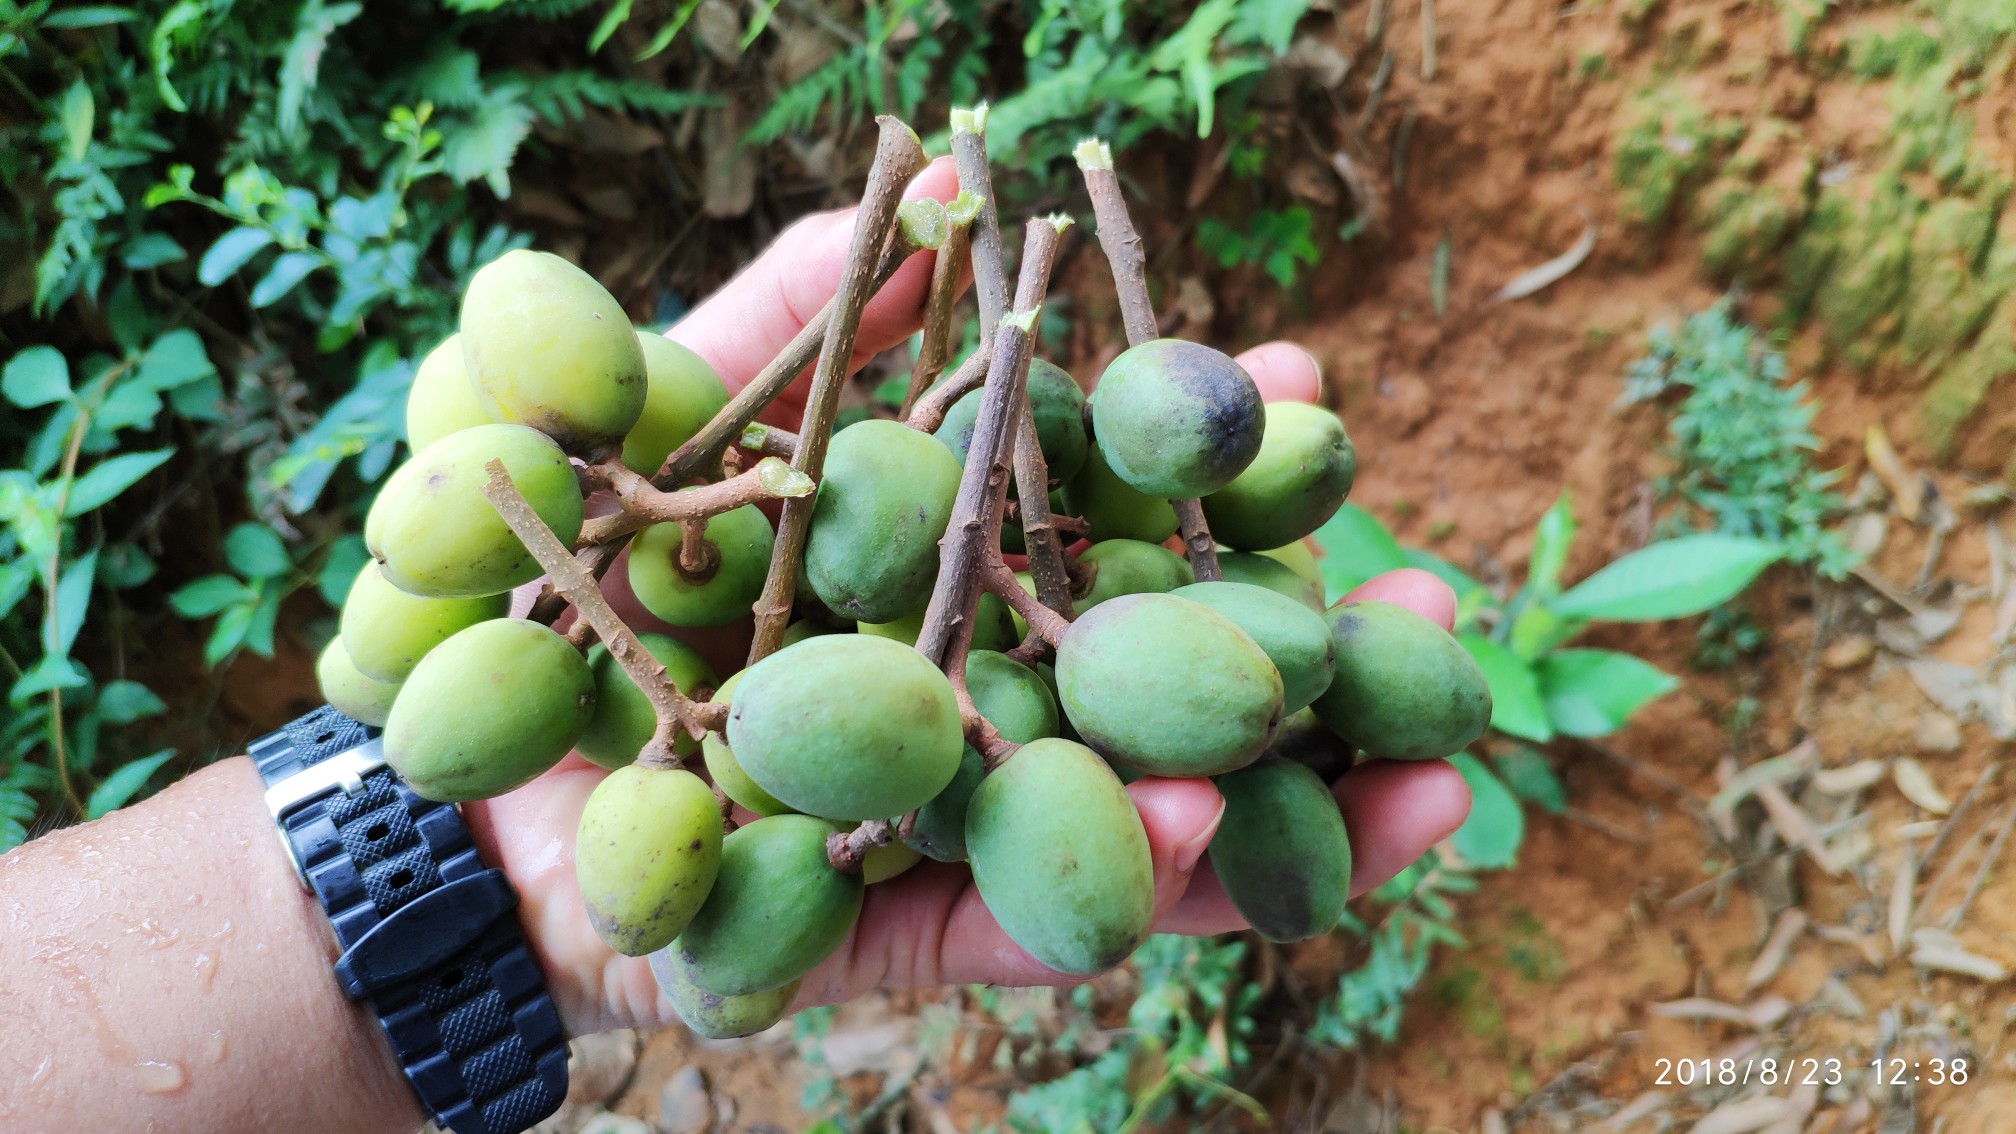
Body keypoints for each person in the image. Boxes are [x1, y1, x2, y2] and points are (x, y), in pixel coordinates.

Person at [0, 158, 1470, 1134]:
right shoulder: (696, 609)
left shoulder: (970, 665)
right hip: (800, 685)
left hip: (900, 664)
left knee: (1206, 490)